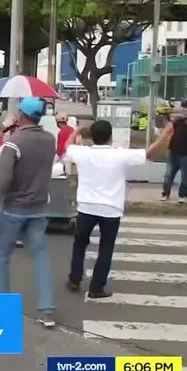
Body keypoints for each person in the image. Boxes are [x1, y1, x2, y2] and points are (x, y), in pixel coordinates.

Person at [63, 120, 173, 299]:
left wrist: (76, 130)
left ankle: (74, 280)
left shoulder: (82, 152)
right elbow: (150, 153)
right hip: (111, 209)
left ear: (92, 136)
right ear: (110, 137)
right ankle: (96, 288)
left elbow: (67, 146)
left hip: (86, 207)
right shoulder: (119, 155)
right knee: (106, 248)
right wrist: (165, 135)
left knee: (80, 245)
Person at [0, 97, 57, 328]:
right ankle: (47, 311)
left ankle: (2, 306)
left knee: (2, 255)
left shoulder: (14, 142)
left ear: (22, 115)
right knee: (40, 257)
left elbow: (3, 179)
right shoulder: (49, 140)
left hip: (13, 208)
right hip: (39, 208)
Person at [162, 103, 187, 203]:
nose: (184, 113)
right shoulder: (178, 122)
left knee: (185, 176)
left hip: (186, 154)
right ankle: (165, 193)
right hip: (173, 152)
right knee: (169, 174)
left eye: (186, 112)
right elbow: (169, 120)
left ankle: (182, 195)